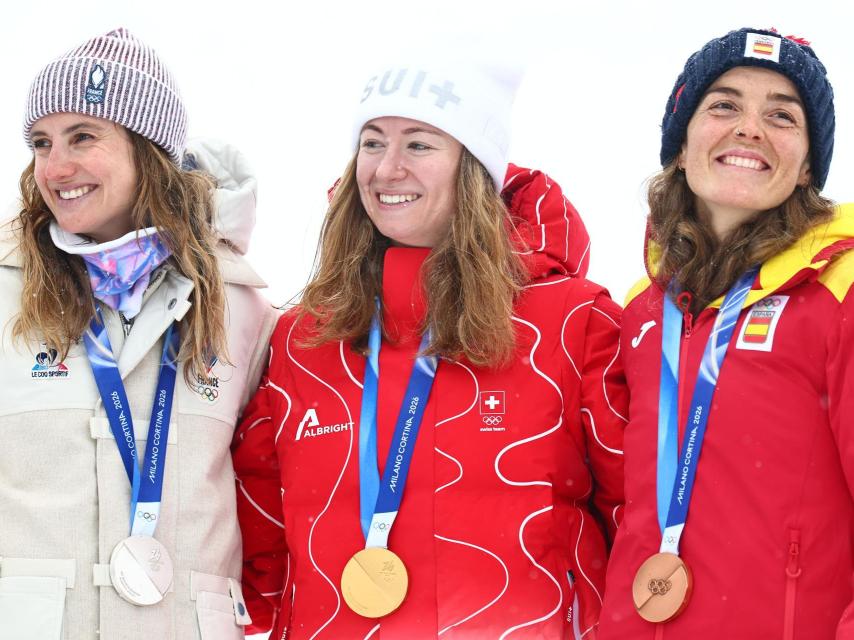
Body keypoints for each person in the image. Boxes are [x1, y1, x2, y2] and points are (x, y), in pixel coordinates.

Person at [233, 59, 627, 639]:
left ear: (474, 166)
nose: (388, 169)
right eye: (372, 143)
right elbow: (255, 541)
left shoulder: (572, 323)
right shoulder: (303, 340)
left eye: (419, 144)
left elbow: (637, 519)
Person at [0, 28, 278, 640]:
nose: (56, 167)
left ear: (148, 151)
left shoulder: (242, 308)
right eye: (41, 143)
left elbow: (267, 495)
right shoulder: (6, 293)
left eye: (83, 138)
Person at [598, 27, 854, 639]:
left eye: (782, 115)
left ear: (806, 169)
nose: (750, 128)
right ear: (681, 150)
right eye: (724, 105)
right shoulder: (638, 313)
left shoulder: (840, 288)